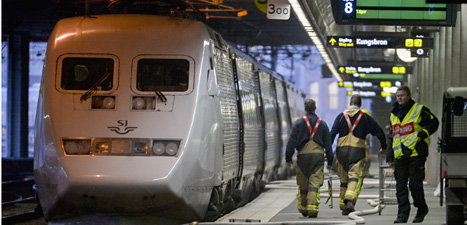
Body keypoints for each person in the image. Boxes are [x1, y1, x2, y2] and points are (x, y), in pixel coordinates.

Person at [386, 86, 439, 223]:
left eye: (402, 95)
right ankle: (402, 214)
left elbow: (434, 123)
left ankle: (421, 209)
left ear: (409, 96)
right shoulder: (394, 113)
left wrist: (423, 134)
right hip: (399, 155)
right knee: (400, 187)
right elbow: (392, 135)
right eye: (398, 96)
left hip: (416, 153)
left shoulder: (419, 110)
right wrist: (390, 155)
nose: (400, 98)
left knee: (415, 185)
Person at [330, 94, 387, 215]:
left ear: (350, 103)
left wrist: (327, 152)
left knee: (343, 179)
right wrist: (384, 147)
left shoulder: (340, 117)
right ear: (360, 105)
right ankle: (350, 199)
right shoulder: (365, 117)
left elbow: (332, 134)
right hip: (357, 152)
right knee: (355, 177)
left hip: (341, 152)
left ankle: (343, 206)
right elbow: (380, 133)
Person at [285, 99, 334, 218]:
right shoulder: (322, 124)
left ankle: (303, 206)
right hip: (317, 156)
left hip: (302, 156)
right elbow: (328, 145)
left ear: (305, 109)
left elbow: (291, 142)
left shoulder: (298, 123)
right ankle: (312, 207)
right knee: (314, 182)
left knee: (303, 182)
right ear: (315, 108)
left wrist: (288, 158)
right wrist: (330, 161)